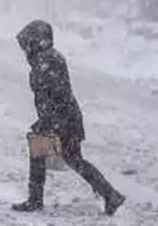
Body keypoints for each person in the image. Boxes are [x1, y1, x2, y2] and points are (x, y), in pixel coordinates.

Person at [13, 19, 125, 215]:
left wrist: (48, 123)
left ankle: (35, 200)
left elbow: (55, 94)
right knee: (72, 159)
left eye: (27, 44)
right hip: (65, 118)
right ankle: (110, 194)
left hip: (62, 120)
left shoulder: (46, 62)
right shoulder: (47, 59)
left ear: (36, 41)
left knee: (47, 154)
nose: (25, 50)